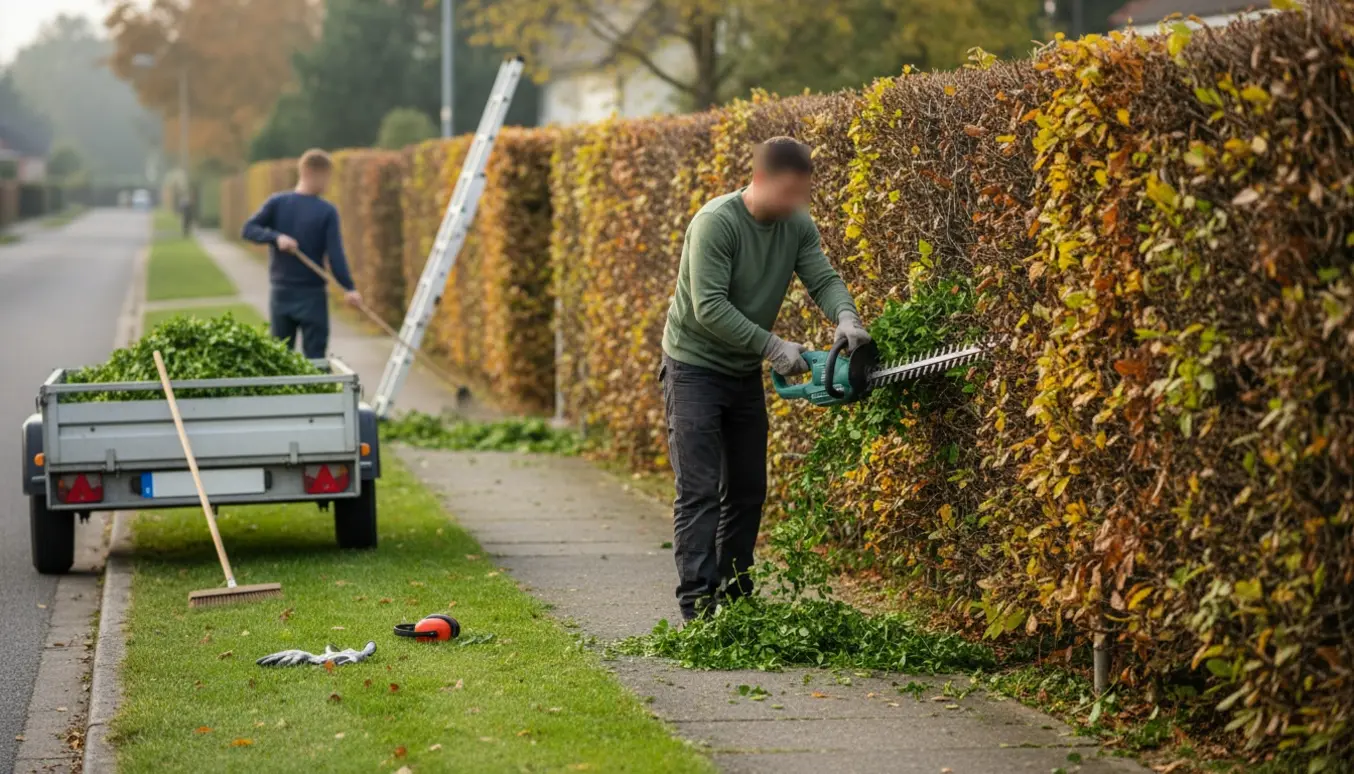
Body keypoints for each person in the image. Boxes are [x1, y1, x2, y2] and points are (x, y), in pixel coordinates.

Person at [660, 136, 871, 622]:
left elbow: (822, 278)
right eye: (788, 193)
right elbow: (709, 307)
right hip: (693, 368)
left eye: (803, 194)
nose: (796, 204)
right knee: (699, 492)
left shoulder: (796, 224)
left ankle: (735, 601)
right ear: (759, 180)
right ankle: (698, 609)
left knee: (748, 489)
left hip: (741, 372)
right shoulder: (716, 223)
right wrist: (774, 348)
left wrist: (847, 317)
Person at [242, 149, 361, 359]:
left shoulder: (326, 211)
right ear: (309, 173)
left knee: (308, 358)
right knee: (283, 358)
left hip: (311, 294)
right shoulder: (278, 203)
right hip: (284, 293)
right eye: (326, 177)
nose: (328, 183)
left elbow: (335, 256)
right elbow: (249, 229)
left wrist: (348, 288)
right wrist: (276, 238)